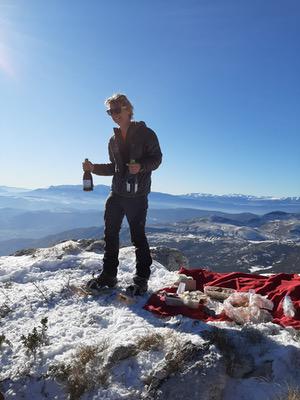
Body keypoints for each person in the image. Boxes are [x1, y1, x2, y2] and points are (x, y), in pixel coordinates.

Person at [82, 93, 162, 295]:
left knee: (138, 237)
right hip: (116, 194)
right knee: (110, 235)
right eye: (110, 111)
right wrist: (93, 168)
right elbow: (114, 168)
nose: (113, 115)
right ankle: (109, 276)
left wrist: (141, 167)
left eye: (117, 110)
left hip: (137, 196)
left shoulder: (146, 134)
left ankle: (141, 280)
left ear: (128, 109)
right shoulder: (113, 140)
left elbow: (157, 159)